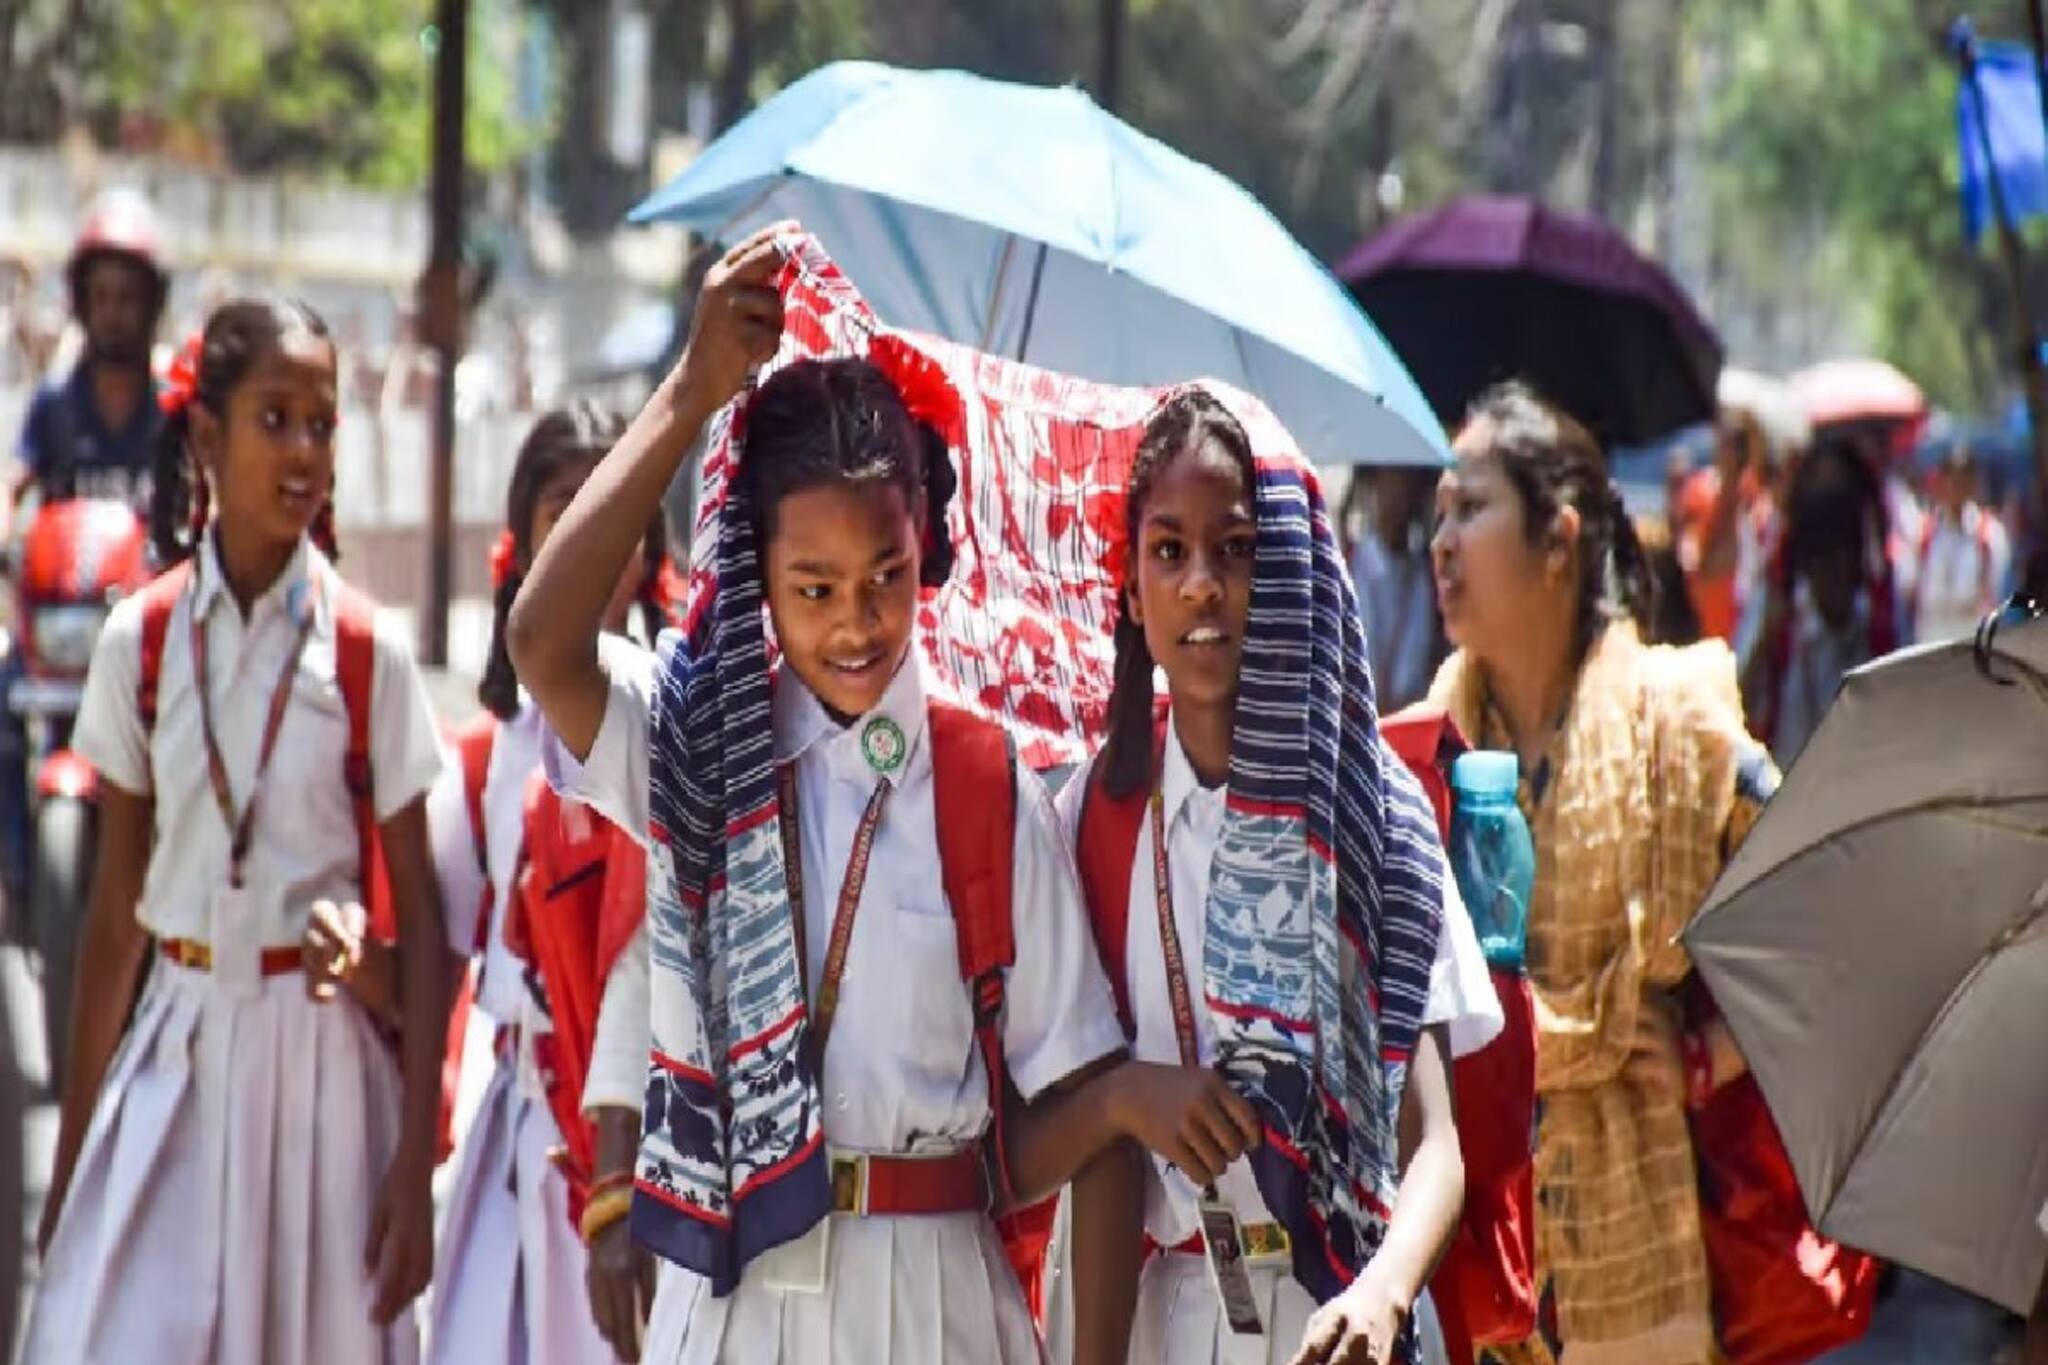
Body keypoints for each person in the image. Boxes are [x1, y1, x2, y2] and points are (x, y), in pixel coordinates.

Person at [508, 223, 1133, 1364]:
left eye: (886, 578)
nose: (856, 621)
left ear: (927, 554)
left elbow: (1080, 1102)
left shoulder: (984, 779)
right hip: (737, 1298)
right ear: (754, 576)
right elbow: (541, 643)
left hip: (937, 1295)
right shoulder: (700, 745)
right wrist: (686, 399)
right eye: (814, 588)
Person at [24, 296, 451, 1365]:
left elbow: (433, 934)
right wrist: (76, 1158)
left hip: (324, 1085)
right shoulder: (142, 641)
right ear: (206, 435)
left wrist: (411, 1177)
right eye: (274, 419)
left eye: (322, 423)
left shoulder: (368, 652)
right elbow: (118, 921)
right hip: (180, 1051)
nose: (304, 450)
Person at [1056, 388, 1498, 1365]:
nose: (1202, 585)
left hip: (1337, 1326)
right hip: (1161, 1323)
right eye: (1167, 552)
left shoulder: (1374, 813)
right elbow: (1077, 1149)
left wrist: (1382, 1292)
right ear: (1129, 589)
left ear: (1293, 572)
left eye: (1238, 550)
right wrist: (1130, 1097)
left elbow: (1435, 1147)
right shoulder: (1093, 816)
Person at [309, 404, 672, 1365]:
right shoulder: (482, 767)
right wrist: (356, 958)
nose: (594, 534)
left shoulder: (686, 729)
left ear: (652, 550)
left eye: (617, 507)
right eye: (568, 510)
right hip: (524, 1138)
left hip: (653, 1154)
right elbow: (435, 969)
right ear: (521, 546)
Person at [1426, 383, 1776, 1365]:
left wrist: (1710, 1055)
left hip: (1637, 1275)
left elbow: (1820, 905)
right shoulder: (1432, 745)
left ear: (1556, 540)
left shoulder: (1679, 726)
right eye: (1437, 513)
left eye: (1471, 506)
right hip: (1476, 1265)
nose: (1440, 541)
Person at [9, 187, 169, 523]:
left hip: (153, 574)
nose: (112, 314)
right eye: (101, 297)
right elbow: (12, 482)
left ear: (151, 304)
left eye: (127, 299)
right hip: (57, 577)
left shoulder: (173, 410)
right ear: (82, 303)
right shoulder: (55, 402)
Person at [1736, 434, 1896, 768]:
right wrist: (1765, 643)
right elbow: (1735, 712)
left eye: (1846, 555)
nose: (1836, 575)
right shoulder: (1779, 627)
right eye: (1824, 558)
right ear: (1807, 560)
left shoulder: (1881, 634)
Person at [1341, 465, 1444, 711]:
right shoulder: (1350, 564)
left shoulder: (1428, 578)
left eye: (1410, 482)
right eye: (1393, 480)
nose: (1402, 494)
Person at [1911, 444, 2011, 644]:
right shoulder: (1924, 533)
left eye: (1964, 481)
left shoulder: (1989, 534)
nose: (1957, 488)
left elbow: (1998, 594)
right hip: (1930, 645)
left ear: (1974, 484)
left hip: (1972, 646)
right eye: (1952, 480)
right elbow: (1911, 589)